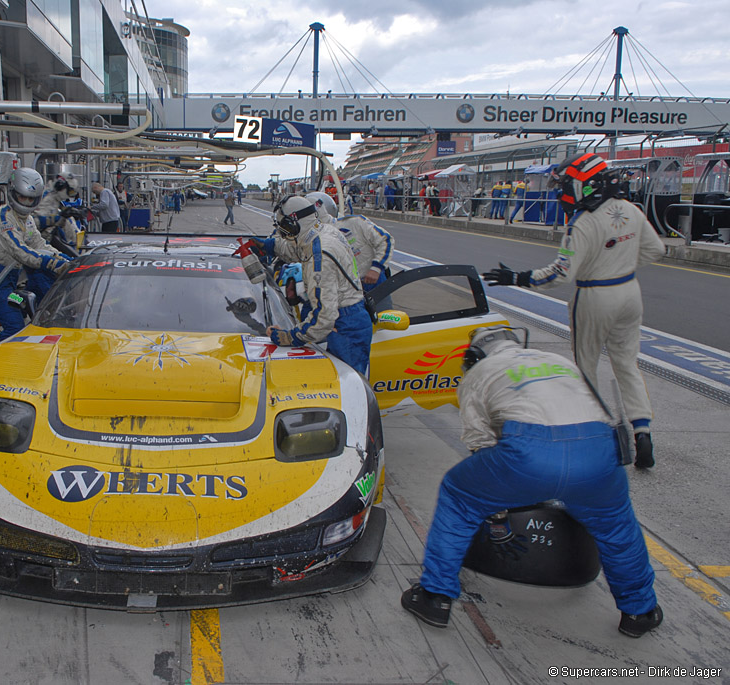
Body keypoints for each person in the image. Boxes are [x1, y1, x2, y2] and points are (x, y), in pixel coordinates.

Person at [401, 326, 663, 639]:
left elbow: (479, 440)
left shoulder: (480, 372)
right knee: (616, 527)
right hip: (597, 449)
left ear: (475, 355)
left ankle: (435, 597)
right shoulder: (558, 360)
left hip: (530, 452)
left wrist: (497, 500)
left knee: (459, 495)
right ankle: (640, 610)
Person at [482, 153, 666, 468]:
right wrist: (618, 265)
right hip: (629, 292)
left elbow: (560, 274)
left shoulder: (582, 222)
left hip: (595, 296)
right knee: (627, 365)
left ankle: (600, 436)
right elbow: (656, 250)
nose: (564, 191)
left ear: (587, 185)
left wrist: (518, 278)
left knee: (586, 367)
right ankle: (642, 432)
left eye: (568, 184)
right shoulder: (632, 210)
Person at [252, 195, 372, 376]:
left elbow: (324, 318)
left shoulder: (321, 255)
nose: (283, 233)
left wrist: (289, 337)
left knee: (346, 387)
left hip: (343, 327)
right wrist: (270, 246)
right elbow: (300, 249)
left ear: (294, 224)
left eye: (284, 228)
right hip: (348, 317)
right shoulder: (326, 232)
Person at [0, 168, 70, 354]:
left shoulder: (26, 220)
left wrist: (64, 259)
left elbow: (39, 244)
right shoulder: (2, 216)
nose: (25, 202)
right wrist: (50, 263)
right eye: (22, 197)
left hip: (11, 280)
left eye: (30, 199)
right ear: (12, 192)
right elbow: (19, 250)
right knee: (15, 326)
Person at [307, 191, 393, 291]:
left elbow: (385, 240)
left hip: (372, 282)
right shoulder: (310, 240)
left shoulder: (355, 223)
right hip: (344, 290)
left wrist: (376, 268)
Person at [34, 172, 82, 250]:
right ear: (61, 187)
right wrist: (59, 217)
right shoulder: (44, 197)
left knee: (69, 219)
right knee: (68, 220)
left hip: (48, 240)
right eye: (70, 192)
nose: (69, 196)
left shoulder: (54, 198)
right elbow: (35, 221)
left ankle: (79, 246)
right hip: (38, 241)